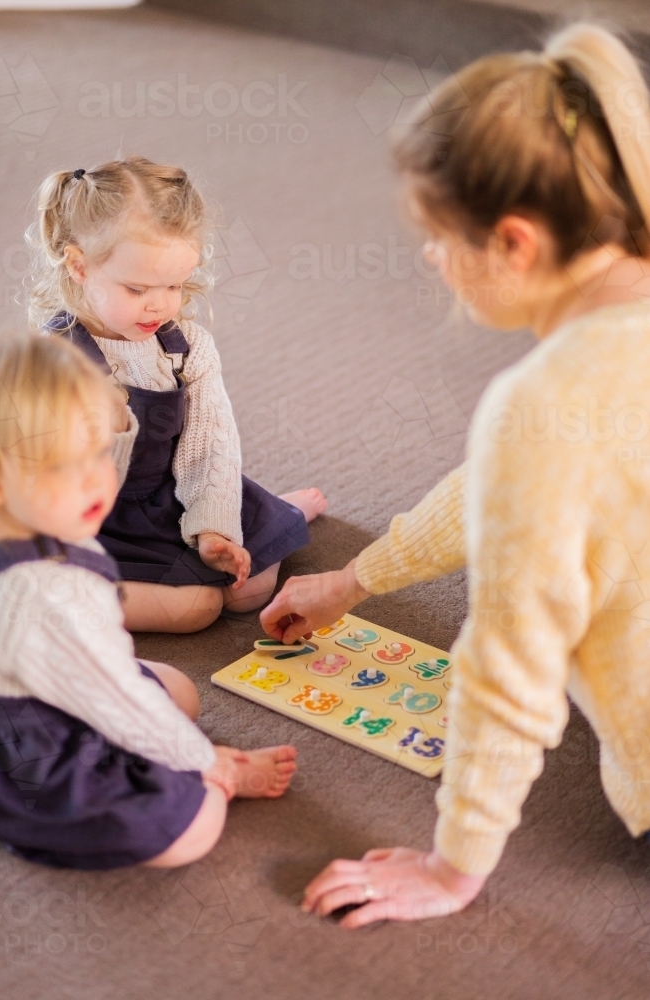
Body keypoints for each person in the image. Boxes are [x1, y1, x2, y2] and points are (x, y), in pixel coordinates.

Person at [260, 22, 650, 927]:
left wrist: (452, 867)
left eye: (438, 239)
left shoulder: (543, 402)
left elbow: (508, 670)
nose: (431, 261)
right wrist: (356, 580)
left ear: (513, 242)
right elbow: (506, 486)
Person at [0, 334, 296, 869]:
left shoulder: (23, 522)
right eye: (62, 469)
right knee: (188, 828)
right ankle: (208, 784)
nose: (95, 484)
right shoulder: (48, 595)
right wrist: (211, 764)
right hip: (40, 762)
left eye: (99, 454)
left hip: (43, 690)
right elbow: (121, 706)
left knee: (180, 692)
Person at [29, 156, 326, 633]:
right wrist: (113, 427)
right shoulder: (53, 358)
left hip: (167, 496)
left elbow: (210, 440)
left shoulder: (185, 346)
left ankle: (276, 511)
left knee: (248, 591)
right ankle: (72, 597)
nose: (161, 303)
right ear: (79, 266)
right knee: (199, 610)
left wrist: (213, 528)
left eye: (174, 284)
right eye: (137, 288)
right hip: (89, 518)